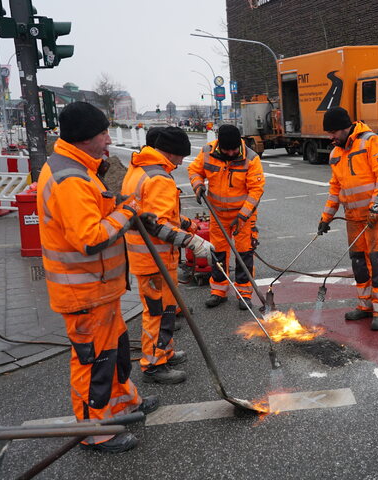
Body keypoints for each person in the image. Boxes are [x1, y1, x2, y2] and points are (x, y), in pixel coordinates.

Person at [36, 101, 158, 454]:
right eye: (104, 132)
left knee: (115, 352)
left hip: (99, 288)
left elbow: (98, 206)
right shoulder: (69, 178)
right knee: (95, 363)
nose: (109, 138)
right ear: (86, 136)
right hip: (83, 291)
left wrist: (120, 205)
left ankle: (122, 405)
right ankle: (95, 429)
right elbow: (89, 237)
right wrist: (128, 213)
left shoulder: (78, 167)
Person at [121, 126, 214, 384]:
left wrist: (184, 222)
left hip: (150, 258)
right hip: (155, 259)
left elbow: (153, 213)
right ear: (171, 153)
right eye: (181, 156)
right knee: (157, 313)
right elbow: (157, 225)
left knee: (167, 309)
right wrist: (193, 242)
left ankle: (165, 351)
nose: (182, 161)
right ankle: (153, 365)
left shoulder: (139, 169)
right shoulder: (159, 178)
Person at [317, 107, 378, 331]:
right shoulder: (335, 153)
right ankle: (365, 306)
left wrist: (376, 206)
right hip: (353, 218)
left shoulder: (372, 142)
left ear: (346, 127)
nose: (330, 137)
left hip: (377, 217)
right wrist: (326, 217)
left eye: (333, 132)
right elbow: (335, 189)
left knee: (377, 263)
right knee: (359, 264)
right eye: (328, 133)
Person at [188, 124, 265, 310]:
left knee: (244, 253)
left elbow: (256, 190)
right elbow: (194, 170)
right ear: (219, 145)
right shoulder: (207, 152)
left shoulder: (251, 158)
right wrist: (198, 186)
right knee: (218, 253)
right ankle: (218, 291)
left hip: (242, 216)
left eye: (234, 149)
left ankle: (244, 294)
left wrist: (243, 216)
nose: (230, 153)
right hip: (218, 214)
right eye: (226, 150)